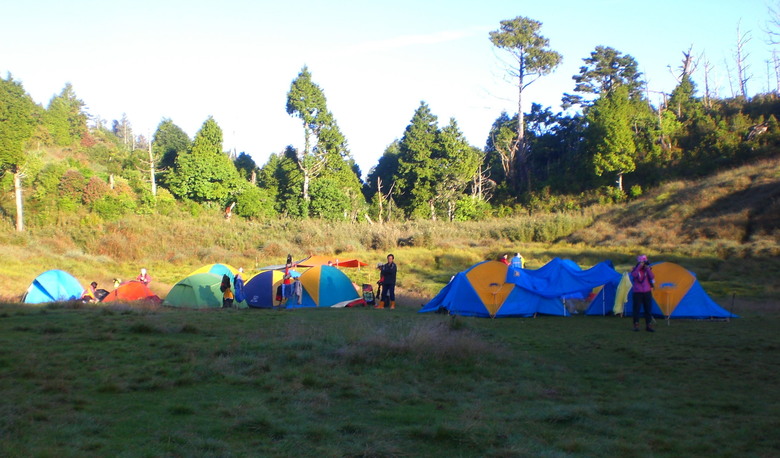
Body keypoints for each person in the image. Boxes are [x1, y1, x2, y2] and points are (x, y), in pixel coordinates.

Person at [630, 254, 656, 332]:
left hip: (647, 291)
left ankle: (648, 325)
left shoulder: (647, 270)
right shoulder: (635, 269)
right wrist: (639, 267)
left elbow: (652, 277)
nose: (643, 264)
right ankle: (636, 325)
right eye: (641, 262)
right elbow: (634, 275)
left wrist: (647, 269)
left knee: (648, 309)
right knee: (636, 309)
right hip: (637, 292)